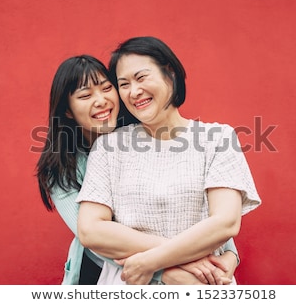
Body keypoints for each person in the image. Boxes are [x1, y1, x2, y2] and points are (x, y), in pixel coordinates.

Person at [36, 55, 241, 285]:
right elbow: (95, 240)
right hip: (104, 271)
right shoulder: (62, 168)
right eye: (85, 96)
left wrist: (229, 254)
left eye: (107, 88)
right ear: (68, 111)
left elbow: (202, 207)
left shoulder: (139, 133)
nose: (101, 100)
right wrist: (171, 266)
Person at [76, 36, 262, 285]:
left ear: (170, 74)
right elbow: (91, 230)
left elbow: (225, 223)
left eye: (141, 78)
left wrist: (151, 262)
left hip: (202, 286)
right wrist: (179, 258)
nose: (134, 91)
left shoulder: (218, 138)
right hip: (130, 285)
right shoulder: (108, 147)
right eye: (123, 84)